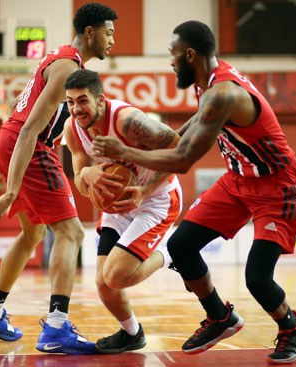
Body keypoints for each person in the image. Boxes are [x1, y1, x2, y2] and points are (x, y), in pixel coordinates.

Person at [92, 20, 296, 364]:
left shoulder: (221, 94)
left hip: (276, 185)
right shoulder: (206, 84)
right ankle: (220, 316)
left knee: (256, 278)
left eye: (172, 55)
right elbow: (182, 138)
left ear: (189, 55)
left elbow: (182, 160)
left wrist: (125, 152)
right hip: (238, 181)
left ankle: (291, 326)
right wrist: (145, 187)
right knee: (180, 245)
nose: (170, 61)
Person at [0, 3, 118, 355]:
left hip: (13, 141)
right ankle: (55, 327)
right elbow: (31, 128)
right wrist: (10, 188)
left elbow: (19, 117)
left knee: (33, 232)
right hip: (31, 145)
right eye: (109, 32)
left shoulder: (59, 58)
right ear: (91, 33)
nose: (113, 40)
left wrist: (4, 162)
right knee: (71, 232)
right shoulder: (67, 66)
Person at [63, 69, 182, 353]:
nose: (76, 109)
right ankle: (133, 333)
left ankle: (171, 253)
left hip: (155, 199)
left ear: (100, 100)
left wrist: (145, 190)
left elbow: (180, 150)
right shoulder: (72, 128)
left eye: (82, 101)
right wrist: (88, 174)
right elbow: (80, 181)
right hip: (117, 205)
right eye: (70, 102)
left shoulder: (128, 121)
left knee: (115, 276)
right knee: (104, 284)